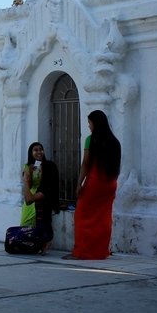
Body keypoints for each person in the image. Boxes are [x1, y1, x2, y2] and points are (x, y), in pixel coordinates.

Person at [64, 110, 121, 260]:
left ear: (95, 123)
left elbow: (86, 163)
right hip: (110, 184)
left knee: (81, 214)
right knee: (103, 217)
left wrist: (79, 183)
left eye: (89, 122)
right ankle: (101, 251)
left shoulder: (91, 140)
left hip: (95, 181)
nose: (88, 126)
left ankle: (82, 251)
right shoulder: (114, 142)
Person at [21, 142, 59, 255]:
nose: (39, 152)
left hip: (42, 192)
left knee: (39, 220)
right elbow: (29, 184)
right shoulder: (28, 166)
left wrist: (40, 173)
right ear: (31, 153)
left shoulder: (47, 166)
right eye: (35, 150)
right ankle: (30, 243)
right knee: (25, 221)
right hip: (31, 192)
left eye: (40, 149)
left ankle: (40, 242)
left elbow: (46, 182)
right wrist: (28, 174)